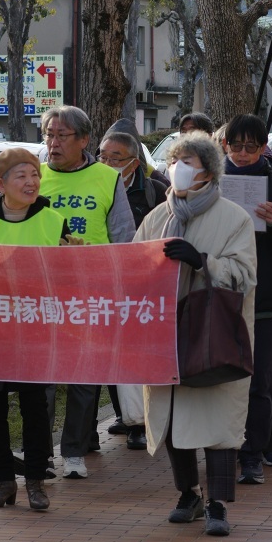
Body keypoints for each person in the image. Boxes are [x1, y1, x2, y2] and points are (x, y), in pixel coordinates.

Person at [0, 105, 135, 480]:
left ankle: (74, 451)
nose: (53, 143)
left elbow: (124, 237)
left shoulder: (107, 178)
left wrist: (113, 277)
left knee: (82, 377)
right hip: (37, 295)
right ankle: (39, 454)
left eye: (61, 135)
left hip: (88, 290)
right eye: (48, 134)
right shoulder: (35, 176)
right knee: (39, 379)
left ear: (84, 140)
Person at [135, 132, 258, 537]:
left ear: (209, 170)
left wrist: (203, 262)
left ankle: (218, 503)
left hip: (212, 332)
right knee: (173, 416)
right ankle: (187, 493)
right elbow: (134, 265)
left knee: (217, 420)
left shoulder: (234, 217)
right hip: (164, 331)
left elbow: (244, 274)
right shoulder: (156, 217)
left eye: (188, 160)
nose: (179, 168)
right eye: (175, 159)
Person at [0, 147, 79, 512]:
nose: (31, 182)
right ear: (0, 184)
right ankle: (2, 481)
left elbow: (69, 276)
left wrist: (75, 256)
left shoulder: (53, 220)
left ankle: (34, 483)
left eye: (35, 175)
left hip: (36, 330)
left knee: (35, 407)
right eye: (21, 176)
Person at [220, 114, 272, 487]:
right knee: (219, 378)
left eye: (250, 147)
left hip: (267, 297)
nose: (241, 153)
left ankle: (252, 455)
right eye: (235, 146)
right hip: (219, 296)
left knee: (261, 382)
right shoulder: (209, 180)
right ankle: (222, 449)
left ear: (263, 148)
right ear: (224, 146)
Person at [98, 127, 170, 448]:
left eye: (116, 157)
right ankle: (123, 415)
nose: (108, 162)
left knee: (139, 354)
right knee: (112, 353)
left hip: (146, 287)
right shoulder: (95, 187)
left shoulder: (156, 190)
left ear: (135, 162)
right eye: (103, 156)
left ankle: (142, 422)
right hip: (106, 285)